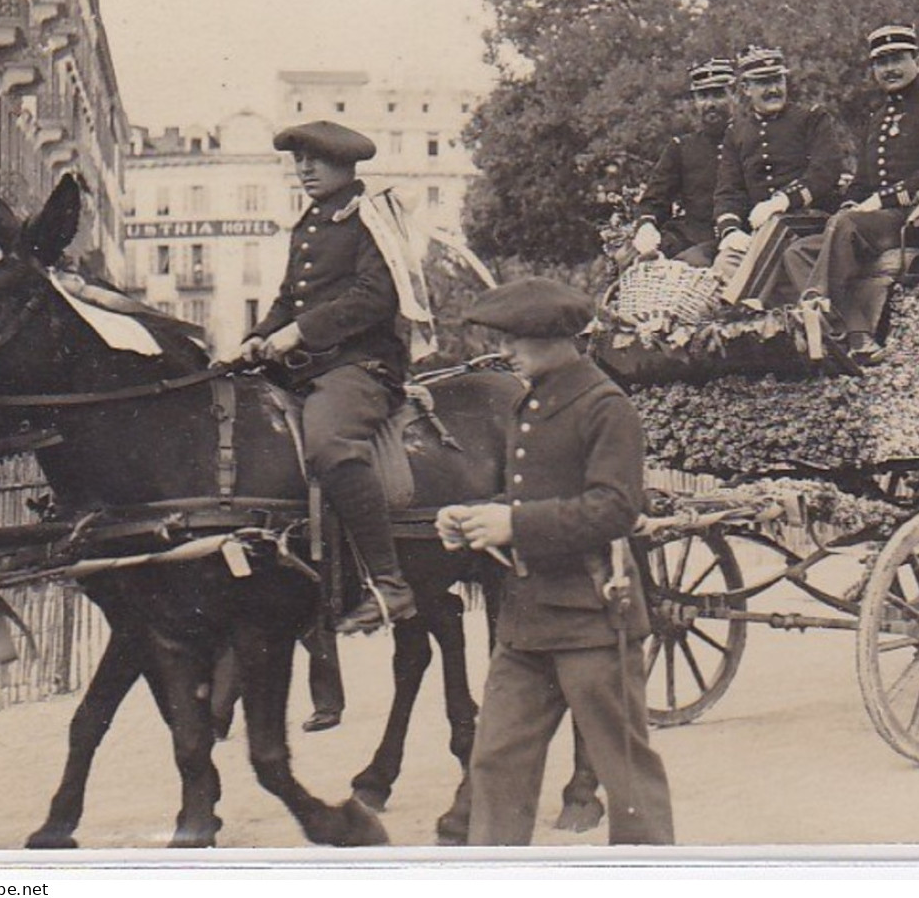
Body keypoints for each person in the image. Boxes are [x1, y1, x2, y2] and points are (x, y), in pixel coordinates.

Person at [437, 277, 674, 846]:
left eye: (517, 339)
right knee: (495, 766)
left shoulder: (605, 407)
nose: (507, 351)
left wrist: (514, 525)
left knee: (625, 776)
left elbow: (615, 508)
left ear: (558, 339)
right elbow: (531, 496)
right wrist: (475, 518)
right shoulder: (530, 401)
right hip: (526, 625)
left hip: (593, 620)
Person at [234, 120, 434, 635]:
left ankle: (390, 583)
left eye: (315, 160)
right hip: (309, 365)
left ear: (346, 164)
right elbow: (287, 297)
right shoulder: (313, 220)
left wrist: (300, 332)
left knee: (329, 444)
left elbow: (375, 297)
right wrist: (256, 337)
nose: (304, 170)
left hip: (360, 364)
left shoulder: (369, 215)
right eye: (298, 161)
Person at [782, 24, 919, 363]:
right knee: (797, 252)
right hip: (869, 222)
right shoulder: (877, 118)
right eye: (881, 62)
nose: (889, 69)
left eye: (897, 59)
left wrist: (881, 200)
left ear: (917, 62)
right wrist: (852, 201)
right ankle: (859, 336)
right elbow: (863, 180)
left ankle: (815, 309)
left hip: (911, 217)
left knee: (847, 222)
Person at [710, 46, 845, 281]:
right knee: (726, 261)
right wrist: (730, 230)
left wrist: (782, 201)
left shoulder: (812, 119)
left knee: (774, 234)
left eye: (777, 80)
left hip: (812, 221)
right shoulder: (736, 132)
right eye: (763, 82)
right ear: (745, 88)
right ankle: (747, 313)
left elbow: (826, 170)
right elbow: (729, 191)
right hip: (761, 230)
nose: (773, 89)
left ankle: (748, 302)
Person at [630, 59, 735, 266]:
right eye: (704, 96)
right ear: (695, 101)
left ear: (736, 96)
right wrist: (647, 226)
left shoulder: (749, 142)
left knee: (693, 263)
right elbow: (655, 199)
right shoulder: (681, 148)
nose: (711, 103)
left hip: (739, 239)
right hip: (693, 237)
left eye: (719, 94)